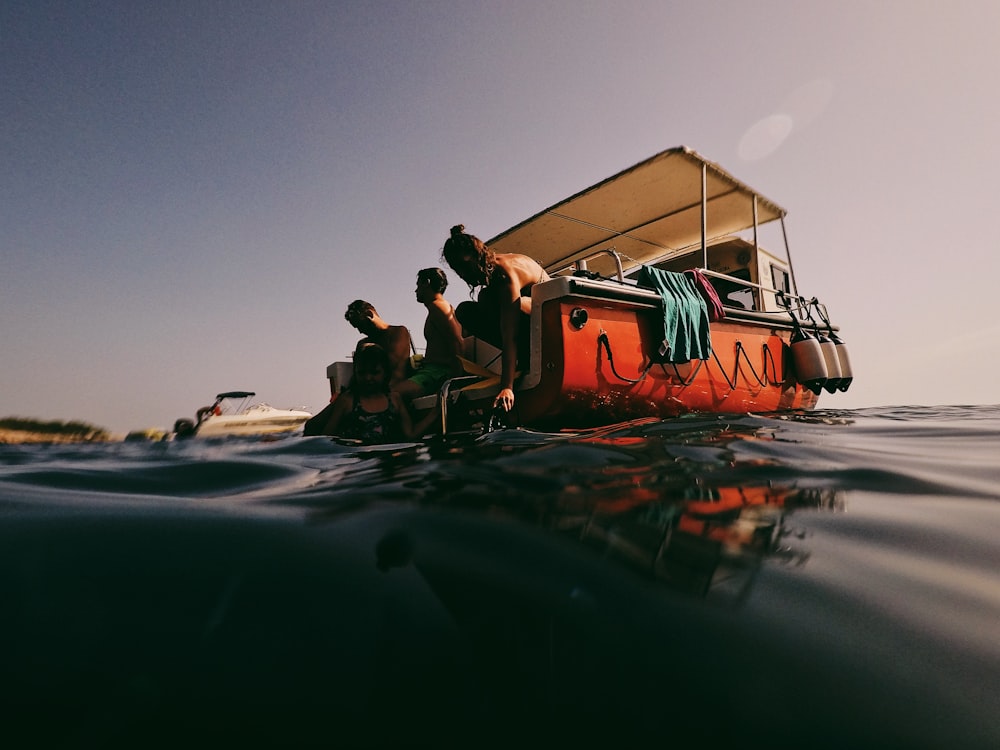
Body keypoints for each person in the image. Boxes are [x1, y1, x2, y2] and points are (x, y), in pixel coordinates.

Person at [442, 224, 549, 414]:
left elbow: (510, 333)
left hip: (550, 315)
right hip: (526, 318)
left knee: (494, 300)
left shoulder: (503, 274)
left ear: (477, 256)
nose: (464, 275)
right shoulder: (490, 273)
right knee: (466, 310)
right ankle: (521, 357)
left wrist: (506, 386)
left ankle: (526, 358)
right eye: (458, 271)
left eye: (465, 268)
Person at [303, 344, 414, 443]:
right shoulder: (347, 400)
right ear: (355, 374)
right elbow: (327, 438)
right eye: (361, 373)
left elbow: (410, 435)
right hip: (356, 460)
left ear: (385, 373)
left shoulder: (395, 399)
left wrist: (432, 415)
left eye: (374, 372)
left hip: (386, 458)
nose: (368, 378)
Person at [393, 268, 464, 400]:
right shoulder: (439, 307)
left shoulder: (439, 307)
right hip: (430, 371)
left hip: (437, 373)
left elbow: (458, 342)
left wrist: (455, 380)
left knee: (391, 395)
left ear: (427, 282)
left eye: (418, 285)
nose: (416, 291)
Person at [343, 300, 413, 388]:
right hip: (368, 391)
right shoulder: (362, 343)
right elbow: (358, 374)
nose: (360, 331)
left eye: (361, 325)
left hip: (393, 388)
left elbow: (391, 365)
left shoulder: (398, 332)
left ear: (370, 315)